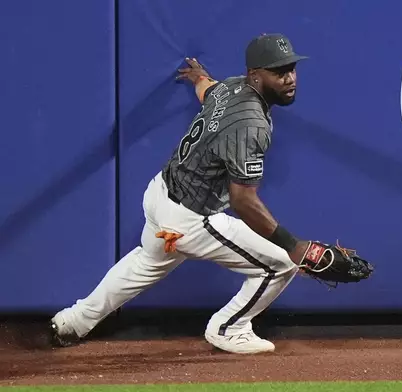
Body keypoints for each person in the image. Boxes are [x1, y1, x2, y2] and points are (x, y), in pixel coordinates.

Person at [50, 33, 312, 355]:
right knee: (280, 264)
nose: (289, 78)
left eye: (291, 69)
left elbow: (208, 91)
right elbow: (243, 201)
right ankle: (229, 329)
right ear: (255, 75)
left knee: (146, 263)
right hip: (190, 218)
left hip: (160, 194)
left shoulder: (230, 86)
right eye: (279, 71)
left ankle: (72, 322)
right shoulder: (251, 125)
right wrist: (293, 244)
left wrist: (199, 78)